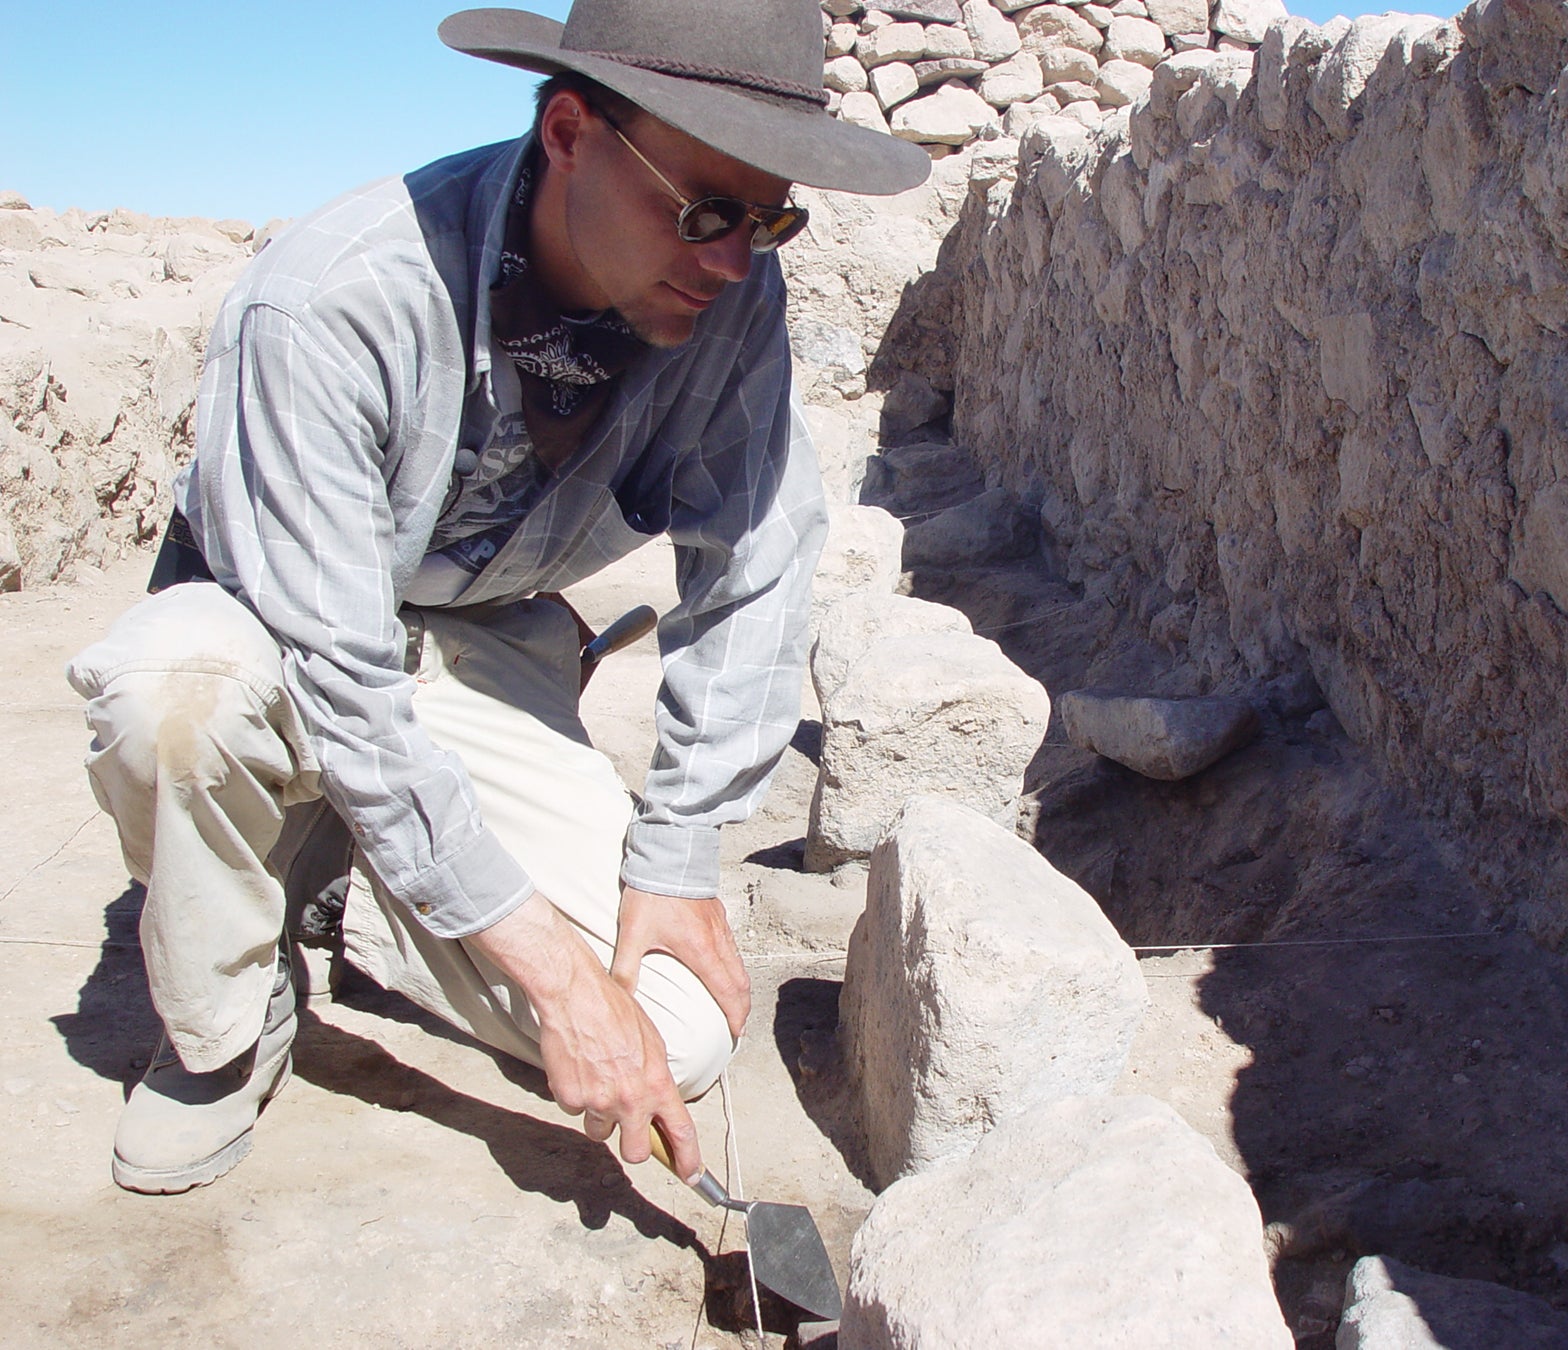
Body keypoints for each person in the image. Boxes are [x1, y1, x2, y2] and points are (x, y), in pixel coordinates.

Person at [66, 0, 929, 1196]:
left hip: (483, 641)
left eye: (771, 218)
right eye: (707, 211)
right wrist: (552, 977)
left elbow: (753, 562)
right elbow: (337, 670)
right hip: (274, 636)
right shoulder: (329, 301)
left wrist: (675, 858)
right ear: (570, 131)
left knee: (676, 1037)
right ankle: (225, 1021)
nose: (734, 259)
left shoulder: (733, 301)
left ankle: (357, 891)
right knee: (175, 695)